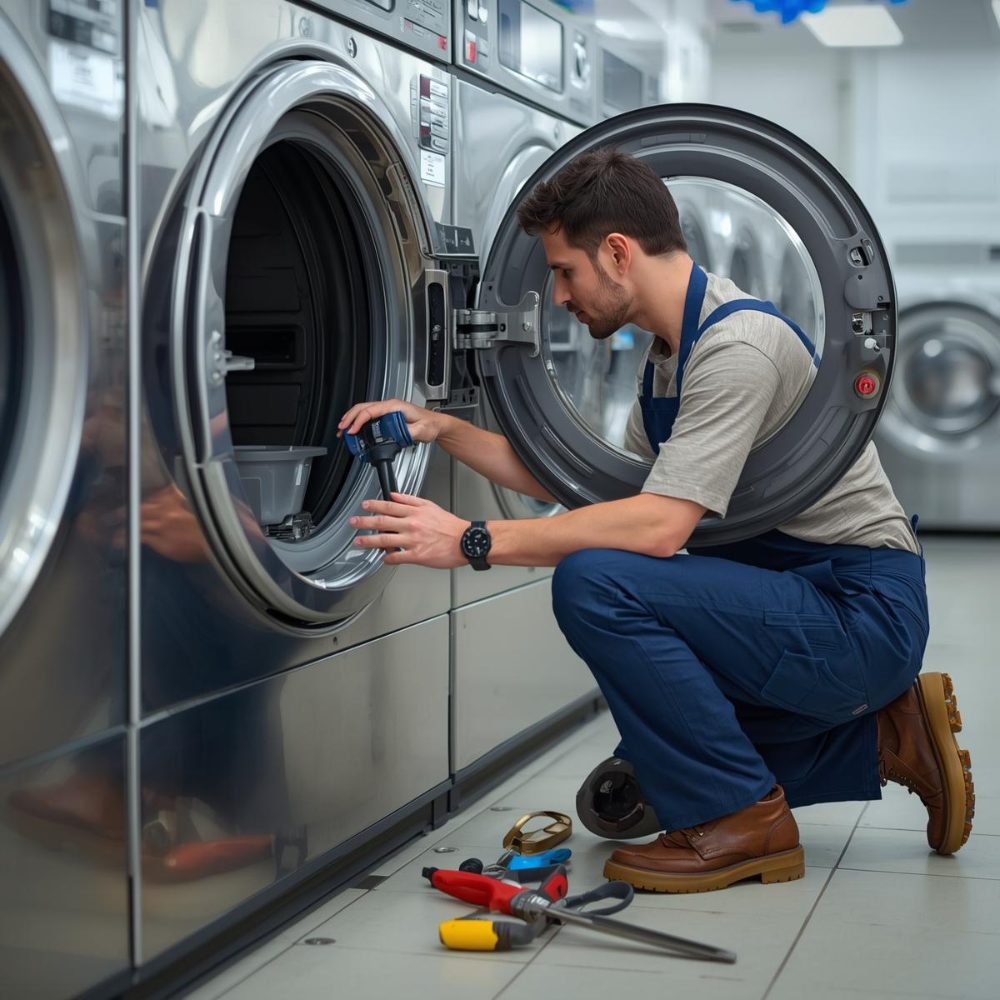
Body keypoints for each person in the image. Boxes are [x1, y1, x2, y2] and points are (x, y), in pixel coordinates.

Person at [338, 148, 974, 893]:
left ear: (617, 253)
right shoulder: (671, 354)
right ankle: (886, 738)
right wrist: (439, 428)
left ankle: (742, 818)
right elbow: (597, 489)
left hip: (854, 610)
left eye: (565, 272)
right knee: (646, 770)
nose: (560, 297)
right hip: (801, 597)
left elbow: (657, 528)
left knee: (597, 585)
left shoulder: (738, 348)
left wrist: (474, 541)